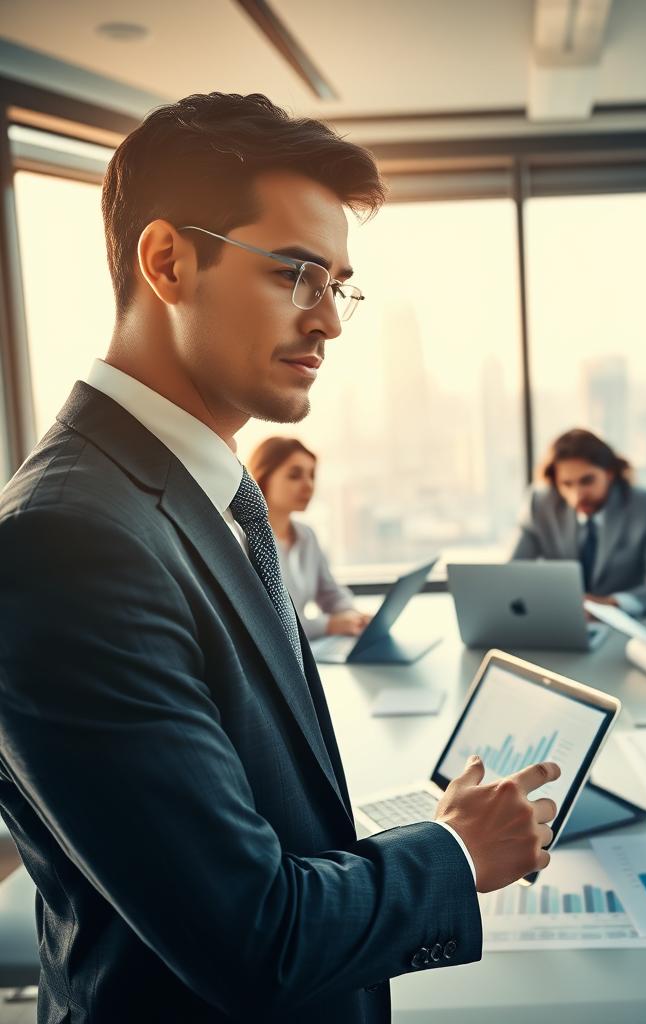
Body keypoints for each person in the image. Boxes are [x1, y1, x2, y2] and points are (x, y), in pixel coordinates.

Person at [0, 93, 560, 1023]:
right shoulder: (68, 542)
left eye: (337, 284)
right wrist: (455, 852)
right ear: (168, 261)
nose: (331, 322)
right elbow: (254, 935)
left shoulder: (200, 495)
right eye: (298, 274)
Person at [511, 428, 646, 616]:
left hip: (622, 628)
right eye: (566, 484)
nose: (577, 497)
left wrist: (610, 604)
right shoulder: (540, 505)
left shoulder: (643, 507)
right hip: (558, 623)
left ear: (609, 473)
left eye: (587, 481)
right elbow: (511, 578)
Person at [249, 435, 371, 640]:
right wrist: (329, 625)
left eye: (311, 475)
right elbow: (271, 624)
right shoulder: (249, 542)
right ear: (263, 477)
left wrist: (354, 616)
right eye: (295, 476)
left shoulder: (306, 535)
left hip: (310, 649)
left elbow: (330, 593)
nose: (308, 485)